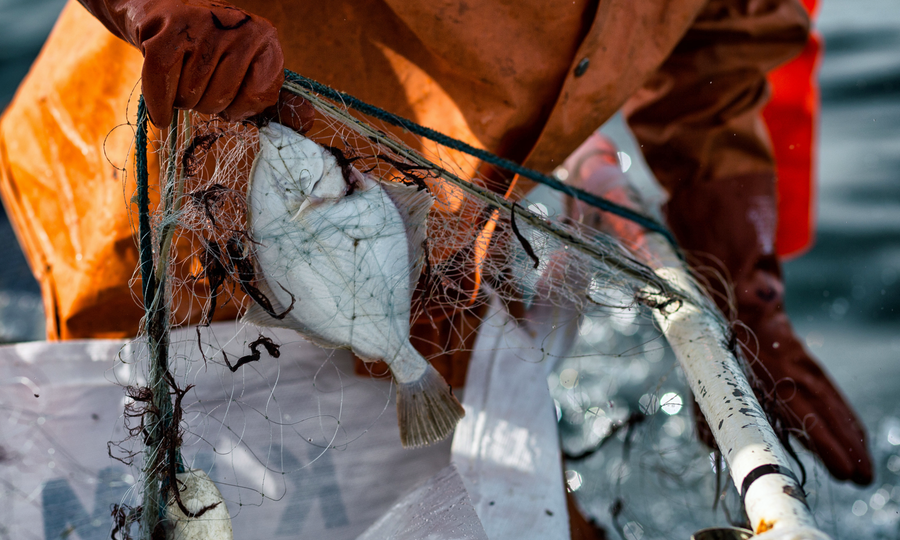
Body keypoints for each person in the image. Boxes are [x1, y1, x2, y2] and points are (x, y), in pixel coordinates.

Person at [0, 0, 871, 510]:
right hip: (179, 197)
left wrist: (752, 304)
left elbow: (719, 54)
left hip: (430, 235)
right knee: (186, 492)